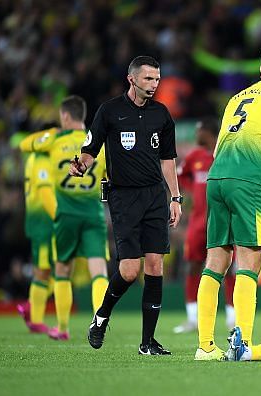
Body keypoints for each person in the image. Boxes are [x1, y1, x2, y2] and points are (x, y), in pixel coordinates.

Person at [72, 55, 182, 356]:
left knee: (156, 265)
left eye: (157, 79)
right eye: (148, 79)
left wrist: (175, 197)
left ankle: (148, 343)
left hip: (155, 197)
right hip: (123, 197)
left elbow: (168, 160)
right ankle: (102, 315)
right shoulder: (110, 111)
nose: (154, 85)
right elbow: (90, 149)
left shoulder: (162, 114)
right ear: (131, 79)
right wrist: (81, 164)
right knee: (131, 270)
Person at [196, 44, 261, 360]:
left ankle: (205, 346)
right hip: (247, 181)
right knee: (250, 262)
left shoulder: (237, 97)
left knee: (215, 262)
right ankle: (241, 344)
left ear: (260, 71)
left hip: (217, 178)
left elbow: (217, 148)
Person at [20, 96, 110, 340]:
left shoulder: (53, 141)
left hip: (66, 214)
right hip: (93, 213)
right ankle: (99, 324)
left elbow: (24, 144)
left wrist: (49, 134)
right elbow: (107, 179)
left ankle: (62, 327)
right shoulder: (98, 141)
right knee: (98, 270)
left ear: (66, 116)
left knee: (62, 270)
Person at [173, 118, 235, 334]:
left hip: (222, 218)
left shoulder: (225, 153)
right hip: (198, 221)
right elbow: (181, 176)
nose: (196, 135)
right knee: (193, 265)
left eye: (198, 130)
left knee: (228, 266)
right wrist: (192, 191)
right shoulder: (194, 156)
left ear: (207, 132)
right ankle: (192, 318)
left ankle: (232, 317)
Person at [15, 128, 58, 334]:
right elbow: (44, 191)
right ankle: (35, 316)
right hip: (43, 222)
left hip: (39, 221)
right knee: (44, 270)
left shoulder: (34, 157)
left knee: (54, 269)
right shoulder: (41, 159)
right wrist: (60, 216)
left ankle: (31, 306)